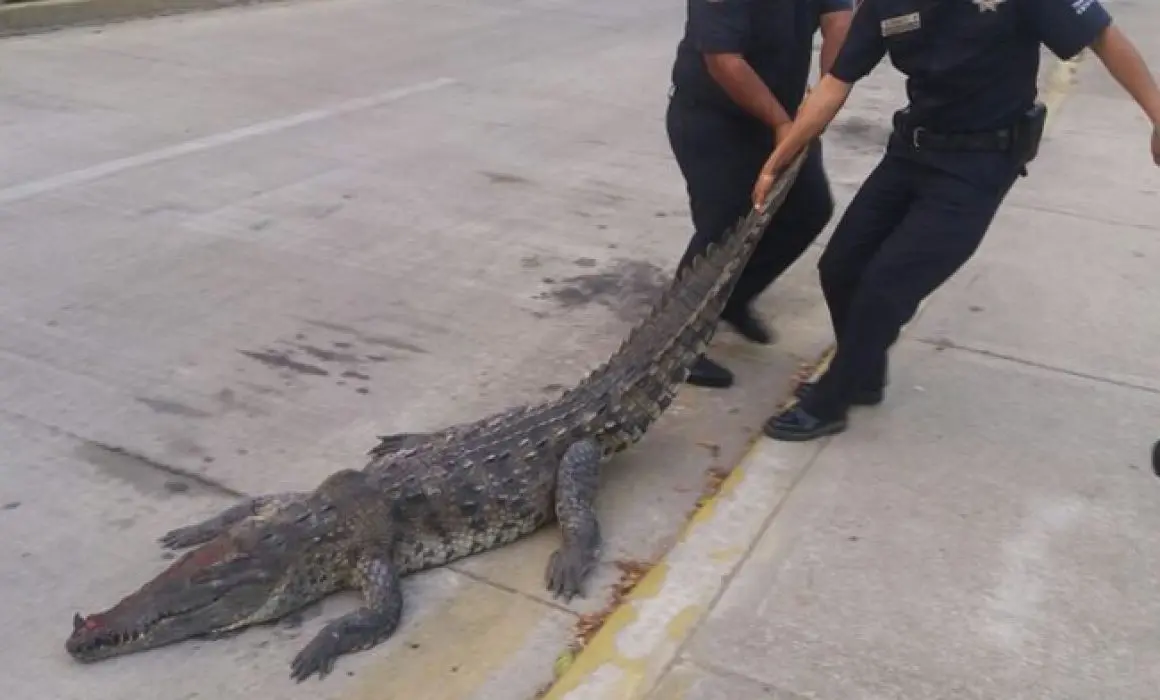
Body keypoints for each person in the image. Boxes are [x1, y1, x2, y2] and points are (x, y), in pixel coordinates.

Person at [750, 0, 1160, 441]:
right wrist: (780, 158)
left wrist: (1157, 114)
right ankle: (864, 372)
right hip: (912, 148)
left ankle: (832, 399)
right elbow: (836, 81)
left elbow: (1102, 36)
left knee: (888, 285)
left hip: (979, 164)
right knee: (840, 267)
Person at [666, 0, 854, 389]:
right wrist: (782, 122)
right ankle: (673, 347)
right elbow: (723, 60)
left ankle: (732, 297)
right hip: (715, 117)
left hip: (782, 114)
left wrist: (823, 98)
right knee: (720, 227)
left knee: (809, 209)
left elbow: (838, 23)